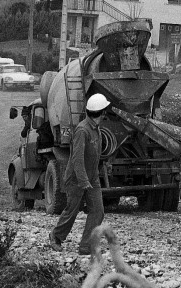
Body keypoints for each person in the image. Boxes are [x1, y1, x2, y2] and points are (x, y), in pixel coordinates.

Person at [49, 93, 111, 255]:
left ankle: (86, 246)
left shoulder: (96, 129)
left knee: (98, 210)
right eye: (105, 111)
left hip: (92, 177)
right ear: (101, 112)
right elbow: (77, 159)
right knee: (72, 210)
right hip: (76, 178)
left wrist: (101, 168)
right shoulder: (82, 130)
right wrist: (83, 181)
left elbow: (96, 153)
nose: (106, 114)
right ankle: (56, 236)